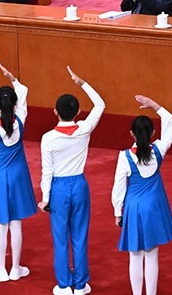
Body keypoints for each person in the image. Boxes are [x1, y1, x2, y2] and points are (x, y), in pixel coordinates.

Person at [38, 67, 106, 295]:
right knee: (79, 235)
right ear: (77, 112)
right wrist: (81, 83)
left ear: (55, 112)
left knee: (60, 238)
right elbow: (100, 105)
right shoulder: (84, 129)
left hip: (58, 187)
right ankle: (80, 284)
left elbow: (46, 171)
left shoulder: (48, 138)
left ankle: (64, 284)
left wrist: (45, 198)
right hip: (79, 186)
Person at [111, 96, 172, 295]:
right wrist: (154, 105)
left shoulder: (124, 157)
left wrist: (117, 211)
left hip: (133, 207)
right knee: (151, 255)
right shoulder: (159, 149)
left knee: (135, 255)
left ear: (131, 134)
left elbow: (118, 186)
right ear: (153, 133)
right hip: (154, 206)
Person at [0, 62, 36, 283]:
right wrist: (12, 78)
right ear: (15, 105)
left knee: (1, 225)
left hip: (0, 177)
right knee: (16, 223)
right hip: (19, 176)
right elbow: (23, 91)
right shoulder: (20, 119)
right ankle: (15, 269)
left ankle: (1, 269)